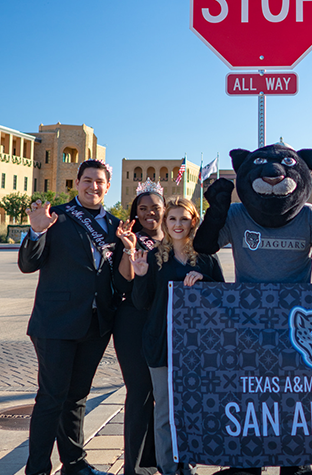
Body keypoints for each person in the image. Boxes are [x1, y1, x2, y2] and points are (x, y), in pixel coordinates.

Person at [18, 159, 119, 475]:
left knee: (77, 398)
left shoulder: (116, 226)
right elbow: (28, 264)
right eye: (87, 180)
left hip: (95, 323)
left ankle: (74, 464)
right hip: (56, 322)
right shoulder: (55, 217)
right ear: (77, 183)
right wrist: (35, 231)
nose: (93, 187)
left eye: (100, 181)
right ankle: (37, 469)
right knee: (51, 398)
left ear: (107, 186)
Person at [127, 197, 224, 475]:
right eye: (172, 219)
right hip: (162, 342)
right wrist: (141, 275)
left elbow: (223, 297)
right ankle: (169, 467)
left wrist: (204, 283)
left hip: (197, 346)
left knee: (194, 407)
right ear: (165, 223)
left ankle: (188, 463)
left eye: (184, 218)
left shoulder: (206, 257)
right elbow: (141, 302)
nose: (178, 224)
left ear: (194, 221)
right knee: (165, 410)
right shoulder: (156, 256)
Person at [113, 179, 166, 475]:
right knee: (140, 392)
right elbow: (123, 282)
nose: (149, 213)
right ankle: (135, 467)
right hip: (132, 321)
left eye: (155, 208)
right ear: (135, 212)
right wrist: (128, 250)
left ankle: (161, 458)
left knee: (165, 394)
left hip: (165, 323)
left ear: (164, 209)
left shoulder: (175, 238)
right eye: (142, 208)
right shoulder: (131, 239)